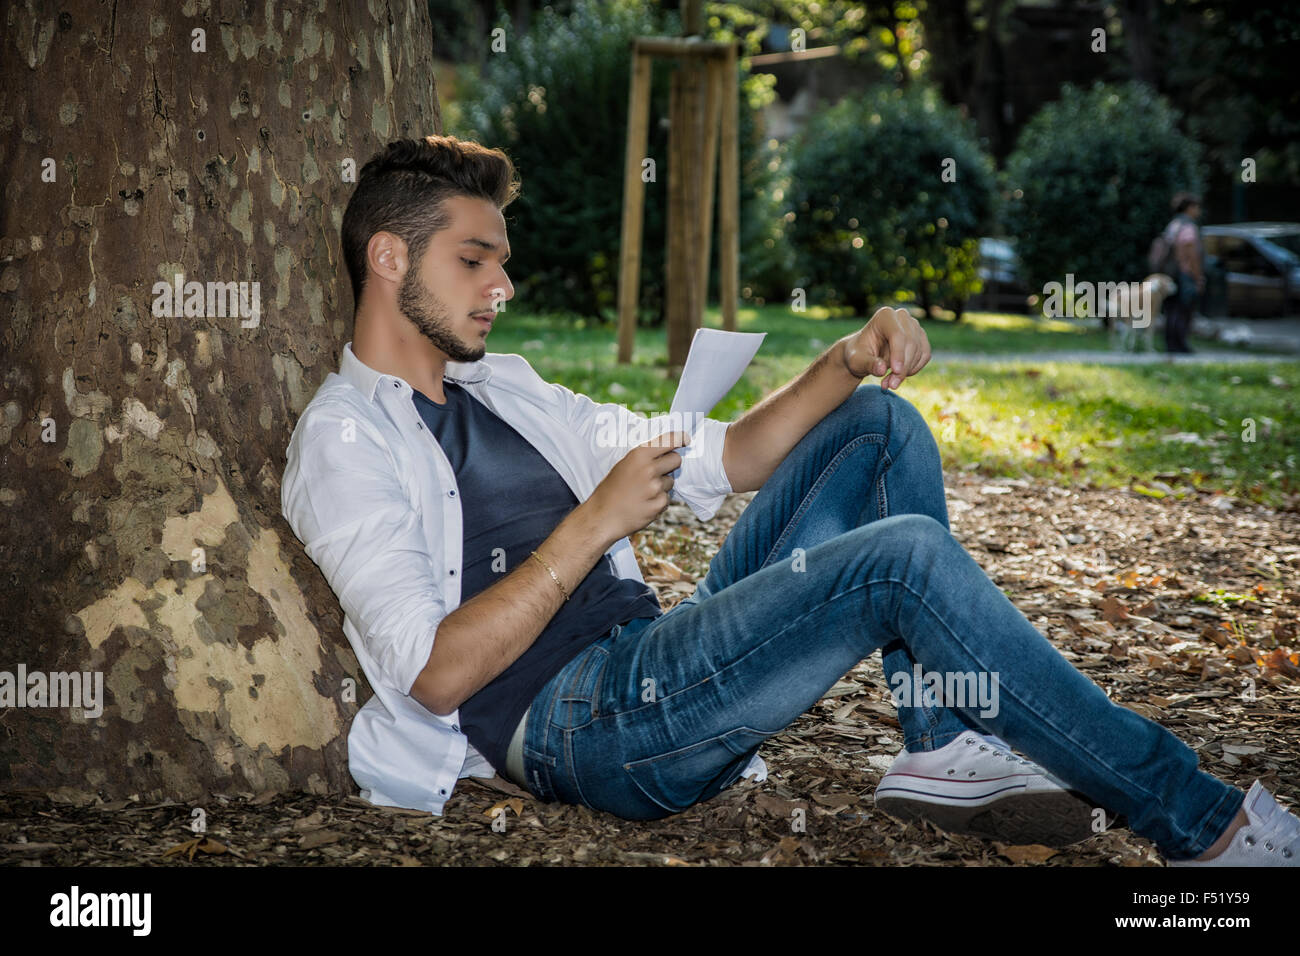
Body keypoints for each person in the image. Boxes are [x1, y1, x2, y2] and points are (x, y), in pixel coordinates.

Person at [280, 136, 1299, 866]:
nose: (502, 282)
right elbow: (430, 670)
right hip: (584, 726)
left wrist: (846, 356)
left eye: (502, 257)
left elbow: (728, 453)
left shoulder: (507, 388)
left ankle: (941, 747)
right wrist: (590, 523)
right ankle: (1202, 822)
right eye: (475, 258)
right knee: (901, 557)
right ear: (388, 257)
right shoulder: (344, 436)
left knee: (873, 425)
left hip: (655, 660)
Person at [1161, 192, 1205, 354]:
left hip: (1170, 273)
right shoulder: (1188, 226)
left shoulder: (1173, 225)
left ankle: (1170, 343)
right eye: (1197, 207)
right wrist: (1197, 275)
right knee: (1184, 310)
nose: (1198, 211)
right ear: (1190, 208)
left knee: (1172, 309)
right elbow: (1190, 252)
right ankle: (1180, 345)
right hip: (1184, 273)